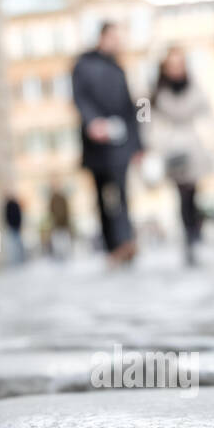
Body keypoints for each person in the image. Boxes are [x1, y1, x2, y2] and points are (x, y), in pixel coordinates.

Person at [72, 22, 142, 265]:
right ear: (102, 37)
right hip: (96, 144)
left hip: (119, 143)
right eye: (113, 37)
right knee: (102, 194)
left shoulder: (119, 70)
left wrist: (138, 145)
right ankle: (112, 246)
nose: (117, 42)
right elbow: (80, 98)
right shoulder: (83, 65)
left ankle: (125, 241)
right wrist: (93, 122)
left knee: (121, 192)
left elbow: (129, 108)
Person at [148, 45, 214, 266]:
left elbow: (208, 113)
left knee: (193, 193)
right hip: (172, 147)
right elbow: (147, 119)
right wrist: (153, 145)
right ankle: (189, 238)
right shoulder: (156, 92)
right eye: (172, 64)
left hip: (193, 146)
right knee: (182, 193)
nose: (177, 69)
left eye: (180, 64)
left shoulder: (194, 86)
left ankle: (194, 235)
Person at [47, 186, 72, 262]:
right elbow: (50, 211)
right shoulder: (52, 199)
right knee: (57, 240)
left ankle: (64, 254)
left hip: (63, 223)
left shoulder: (62, 198)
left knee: (64, 239)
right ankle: (59, 255)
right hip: (56, 224)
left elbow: (67, 210)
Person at [2, 191, 25, 265]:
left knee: (17, 243)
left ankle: (20, 259)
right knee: (13, 244)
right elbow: (6, 216)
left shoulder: (15, 204)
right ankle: (16, 259)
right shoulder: (8, 205)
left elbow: (19, 216)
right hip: (12, 227)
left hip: (16, 227)